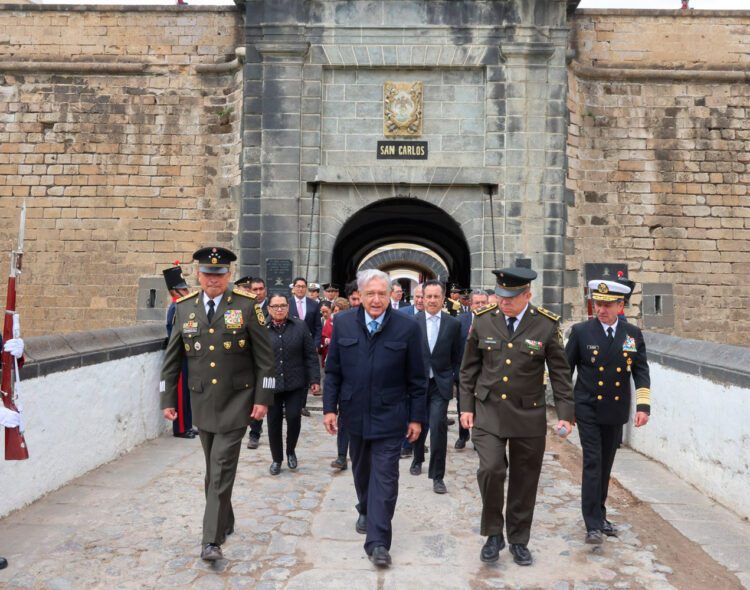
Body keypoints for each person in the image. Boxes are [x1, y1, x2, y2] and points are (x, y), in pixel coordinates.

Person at [160, 246, 276, 562]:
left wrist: (263, 399)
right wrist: (167, 399)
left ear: (229, 275)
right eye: (208, 274)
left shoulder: (248, 306)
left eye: (220, 273)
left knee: (221, 465)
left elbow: (266, 360)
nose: (214, 279)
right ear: (198, 275)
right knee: (213, 472)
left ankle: (211, 540)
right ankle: (226, 517)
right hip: (201, 403)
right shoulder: (185, 308)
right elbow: (171, 360)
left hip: (238, 401)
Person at [459, 267, 574, 566]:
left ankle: (519, 540)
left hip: (528, 414)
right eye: (500, 296)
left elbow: (561, 374)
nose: (503, 302)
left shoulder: (546, 325)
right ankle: (493, 534)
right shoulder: (483, 321)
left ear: (527, 295)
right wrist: (466, 407)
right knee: (491, 469)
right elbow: (469, 369)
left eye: (510, 297)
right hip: (489, 411)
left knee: (525, 479)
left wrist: (565, 415)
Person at [323, 269, 426, 567]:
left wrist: (416, 418)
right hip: (354, 414)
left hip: (391, 416)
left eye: (382, 293)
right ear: (361, 296)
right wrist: (330, 409)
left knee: (386, 477)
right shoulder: (343, 323)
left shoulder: (407, 327)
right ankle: (365, 507)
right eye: (371, 294)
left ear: (391, 295)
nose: (377, 299)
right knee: (362, 472)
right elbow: (333, 372)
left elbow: (417, 379)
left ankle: (379, 542)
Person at [566, 279, 651, 545]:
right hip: (588, 406)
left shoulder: (632, 334)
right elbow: (564, 372)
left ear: (620, 305)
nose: (600, 309)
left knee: (605, 465)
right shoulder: (581, 332)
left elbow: (640, 371)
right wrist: (566, 410)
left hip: (615, 410)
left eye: (606, 305)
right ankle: (592, 523)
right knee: (593, 462)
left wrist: (643, 406)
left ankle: (600, 515)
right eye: (597, 304)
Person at [410, 280, 461, 494]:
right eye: (427, 296)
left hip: (440, 384)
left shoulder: (453, 324)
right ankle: (417, 457)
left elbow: (456, 356)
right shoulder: (412, 322)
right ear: (421, 298)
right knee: (418, 424)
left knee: (438, 428)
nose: (431, 300)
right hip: (418, 383)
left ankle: (437, 476)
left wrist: (452, 379)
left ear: (443, 298)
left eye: (435, 297)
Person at [265, 294, 321, 475]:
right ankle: (276, 459)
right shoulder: (262, 328)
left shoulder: (300, 326)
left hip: (295, 382)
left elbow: (310, 355)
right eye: (275, 306)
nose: (279, 309)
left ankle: (290, 450)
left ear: (288, 307)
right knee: (273, 422)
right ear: (268, 309)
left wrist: (314, 380)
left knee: (293, 418)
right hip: (271, 384)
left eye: (282, 305)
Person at [235, 276, 270, 450]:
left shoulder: (270, 309)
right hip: (241, 361)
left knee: (259, 396)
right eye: (251, 289)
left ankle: (254, 433)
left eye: (258, 289)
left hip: (260, 361)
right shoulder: (235, 309)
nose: (255, 293)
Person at [163, 263, 195, 439]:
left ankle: (188, 424)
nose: (187, 292)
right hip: (179, 355)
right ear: (175, 291)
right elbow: (177, 333)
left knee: (188, 393)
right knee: (181, 394)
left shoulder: (182, 306)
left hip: (187, 355)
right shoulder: (176, 307)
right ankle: (181, 428)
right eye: (184, 289)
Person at [454, 289, 488, 449]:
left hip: (485, 374)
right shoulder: (460, 321)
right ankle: (463, 435)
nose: (480, 306)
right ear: (470, 304)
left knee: (482, 406)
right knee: (463, 404)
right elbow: (453, 348)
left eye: (483, 303)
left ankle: (478, 438)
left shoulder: (493, 322)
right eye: (477, 303)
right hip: (464, 372)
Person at [288, 277, 323, 417]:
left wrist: (315, 344)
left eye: (303, 286)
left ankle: (302, 406)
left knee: (304, 377)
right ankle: (288, 405)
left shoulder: (313, 305)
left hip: (308, 346)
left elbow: (318, 327)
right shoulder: (288, 304)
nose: (301, 289)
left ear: (306, 288)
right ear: (294, 288)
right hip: (291, 345)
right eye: (298, 286)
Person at [326, 297, 352, 471]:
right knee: (344, 421)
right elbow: (332, 370)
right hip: (346, 384)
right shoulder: (339, 324)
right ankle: (342, 456)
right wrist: (329, 408)